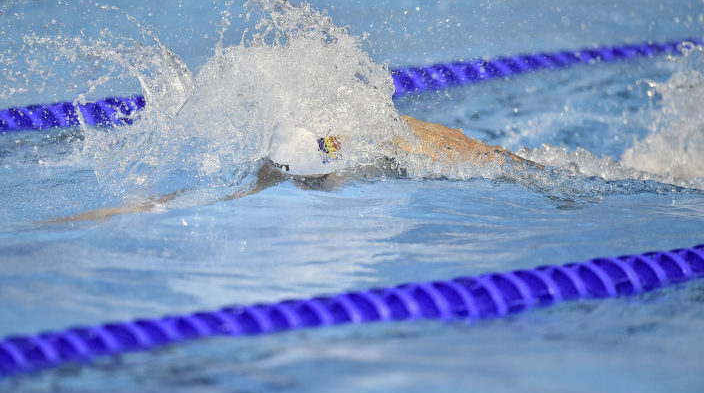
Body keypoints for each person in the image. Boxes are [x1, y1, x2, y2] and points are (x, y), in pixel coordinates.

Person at [49, 115, 529, 223]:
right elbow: (212, 195)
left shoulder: (401, 142)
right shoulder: (279, 162)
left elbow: (494, 161)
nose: (302, 188)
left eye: (310, 182)